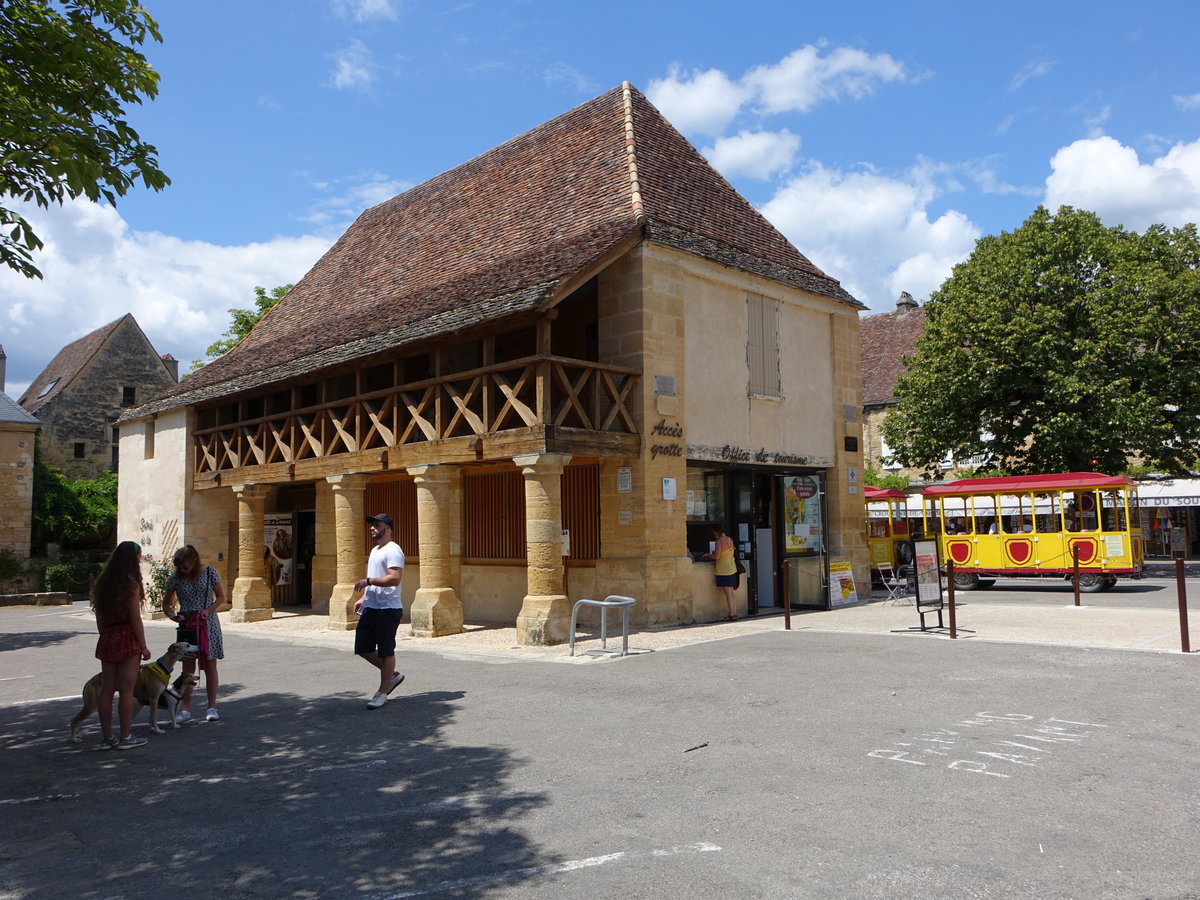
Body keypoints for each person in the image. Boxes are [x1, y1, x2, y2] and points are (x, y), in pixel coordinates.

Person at [90, 540, 151, 750]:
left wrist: (105, 635)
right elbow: (135, 618)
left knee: (107, 690)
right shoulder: (130, 583)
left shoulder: (102, 583)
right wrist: (143, 646)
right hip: (126, 636)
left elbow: (99, 617)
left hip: (108, 635)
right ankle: (126, 737)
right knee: (126, 690)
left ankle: (107, 738)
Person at [162, 545, 226, 723]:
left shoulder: (209, 572)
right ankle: (185, 709)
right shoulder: (176, 577)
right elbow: (166, 603)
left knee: (210, 665)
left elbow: (221, 597)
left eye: (185, 567)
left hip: (208, 622)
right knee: (188, 668)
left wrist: (209, 610)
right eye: (179, 567)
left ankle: (212, 707)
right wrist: (174, 617)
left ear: (194, 561)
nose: (182, 570)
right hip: (187, 624)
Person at [353, 513, 406, 709]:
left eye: (377, 525)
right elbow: (375, 576)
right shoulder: (375, 550)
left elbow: (394, 578)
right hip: (372, 607)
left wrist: (367, 581)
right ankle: (392, 675)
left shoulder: (393, 550)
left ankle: (382, 692)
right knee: (363, 648)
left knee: (386, 650)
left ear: (388, 528)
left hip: (388, 608)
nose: (372, 528)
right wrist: (363, 598)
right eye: (372, 525)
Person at [701, 524, 739, 620]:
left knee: (727, 592)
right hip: (731, 568)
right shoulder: (729, 540)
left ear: (715, 531)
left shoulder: (719, 541)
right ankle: (734, 613)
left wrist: (708, 555)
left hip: (723, 569)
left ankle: (731, 614)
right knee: (731, 592)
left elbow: (717, 557)